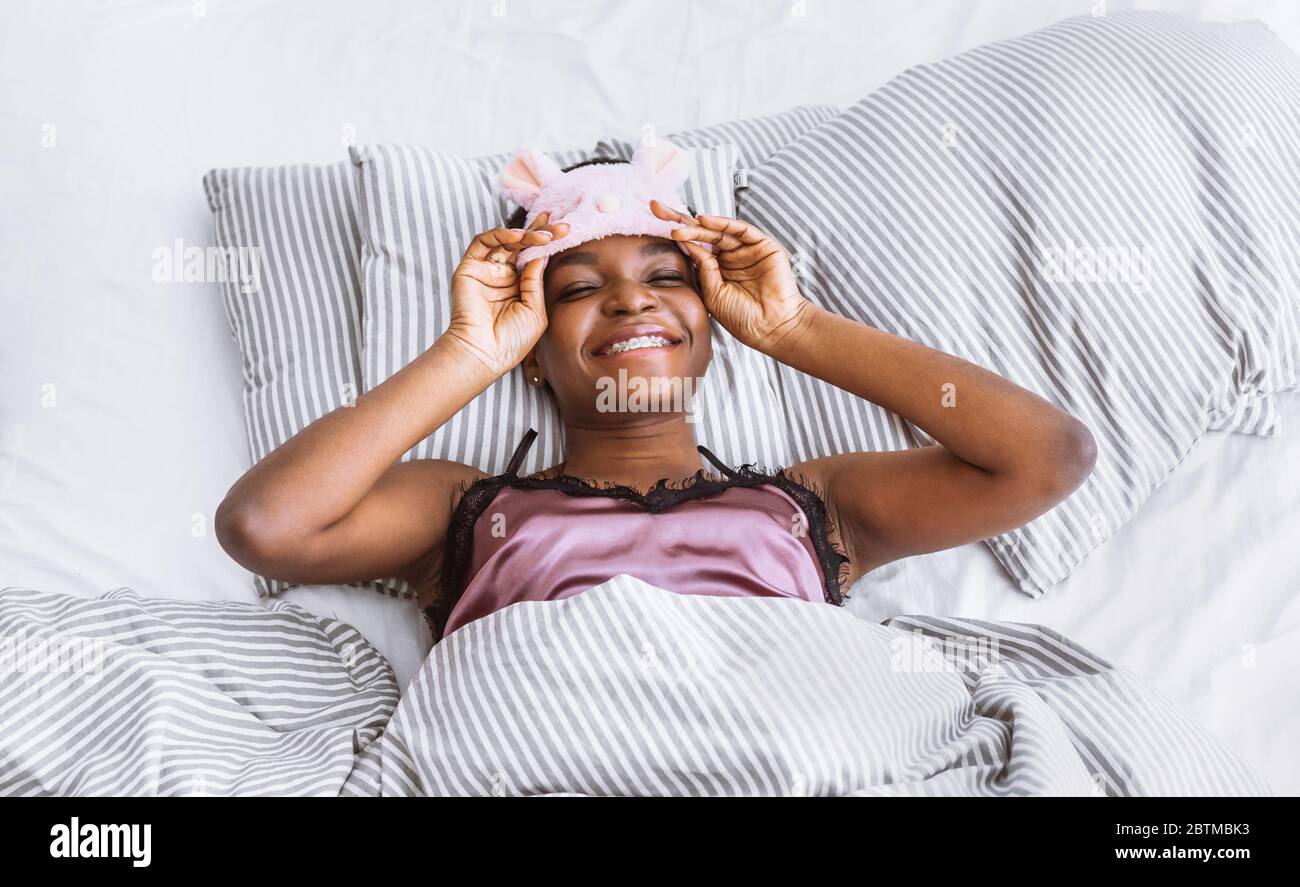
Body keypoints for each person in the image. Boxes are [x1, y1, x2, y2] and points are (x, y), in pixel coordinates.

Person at [215, 139, 1097, 642]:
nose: (628, 298)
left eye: (667, 278)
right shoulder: (464, 511)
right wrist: (466, 351)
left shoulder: (813, 508)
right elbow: (267, 526)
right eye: (574, 289)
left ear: (712, 325)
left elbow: (1047, 456)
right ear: (533, 352)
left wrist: (797, 330)